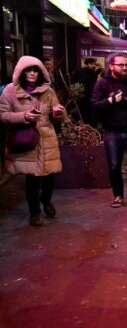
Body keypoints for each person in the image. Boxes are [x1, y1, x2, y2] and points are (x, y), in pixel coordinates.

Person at [0, 56, 67, 226]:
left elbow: (58, 117)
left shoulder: (48, 92)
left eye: (36, 70)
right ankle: (34, 212)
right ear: (21, 72)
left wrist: (58, 113)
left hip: (47, 139)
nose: (32, 73)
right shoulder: (10, 91)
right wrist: (24, 116)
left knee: (50, 176)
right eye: (28, 70)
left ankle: (46, 200)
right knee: (32, 179)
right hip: (27, 140)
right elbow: (3, 115)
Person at [91, 53, 127, 208]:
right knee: (114, 165)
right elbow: (94, 103)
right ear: (111, 66)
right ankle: (118, 195)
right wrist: (110, 100)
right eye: (121, 65)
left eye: (126, 65)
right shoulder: (103, 83)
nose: (124, 67)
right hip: (112, 131)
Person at [70, 57, 99, 126]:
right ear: (86, 64)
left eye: (94, 64)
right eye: (91, 64)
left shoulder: (93, 73)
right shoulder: (81, 72)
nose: (93, 65)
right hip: (83, 99)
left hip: (90, 99)